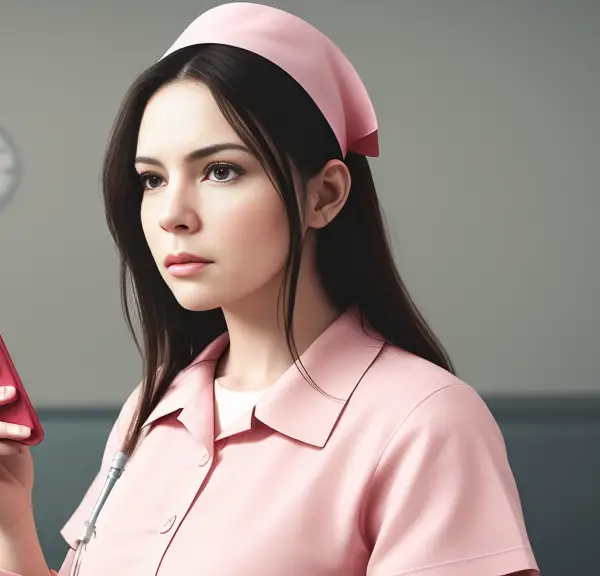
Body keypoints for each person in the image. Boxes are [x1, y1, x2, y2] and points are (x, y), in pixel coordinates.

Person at [0, 3, 540, 575]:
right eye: (153, 179)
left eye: (221, 170)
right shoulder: (156, 408)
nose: (172, 214)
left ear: (325, 194)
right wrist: (11, 526)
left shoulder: (424, 422)